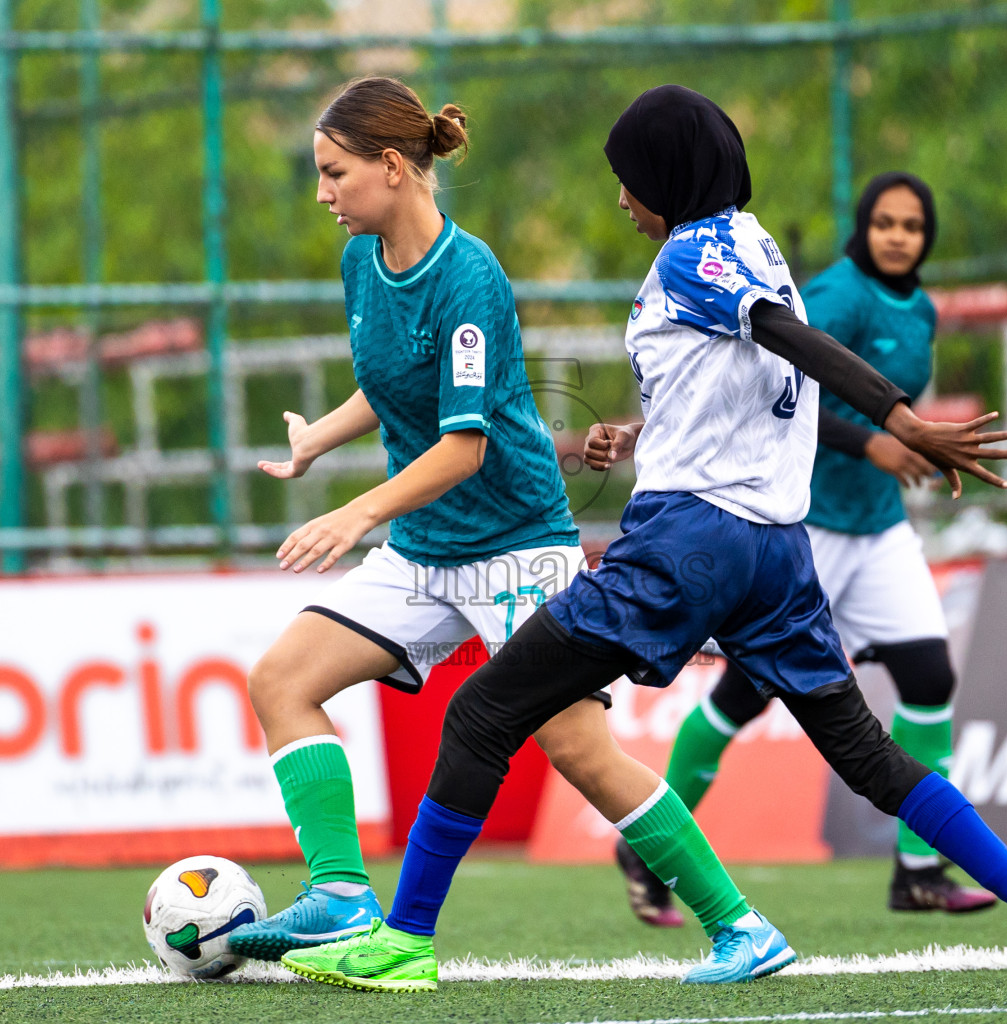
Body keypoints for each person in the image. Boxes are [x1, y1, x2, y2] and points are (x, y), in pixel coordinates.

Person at [280, 85, 1007, 992]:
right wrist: (637, 436)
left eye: (628, 180)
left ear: (667, 176)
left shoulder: (692, 256)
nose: (622, 199)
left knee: (483, 711)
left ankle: (405, 939)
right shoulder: (753, 240)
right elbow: (741, 371)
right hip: (778, 551)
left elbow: (784, 338)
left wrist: (903, 419)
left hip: (688, 547)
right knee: (872, 758)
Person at [226, 77, 688, 962]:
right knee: (281, 681)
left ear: (392, 167)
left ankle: (738, 923)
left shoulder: (471, 275)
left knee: (579, 749)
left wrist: (354, 511)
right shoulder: (361, 258)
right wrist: (317, 440)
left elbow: (464, 447)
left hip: (517, 547)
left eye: (333, 173)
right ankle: (339, 899)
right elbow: (398, 379)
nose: (321, 193)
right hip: (425, 549)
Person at [615, 171, 995, 929]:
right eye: (884, 222)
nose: (897, 236)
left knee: (929, 675)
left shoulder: (918, 307)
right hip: (805, 522)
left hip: (880, 529)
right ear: (863, 227)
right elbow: (785, 385)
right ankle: (648, 844)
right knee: (745, 692)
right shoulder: (838, 294)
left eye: (912, 226)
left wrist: (894, 451)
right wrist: (876, 442)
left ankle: (918, 870)